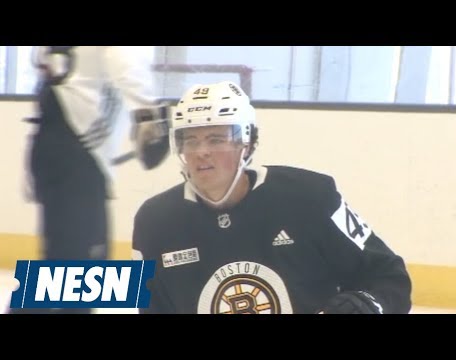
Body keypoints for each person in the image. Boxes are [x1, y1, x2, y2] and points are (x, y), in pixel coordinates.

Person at [132, 81, 412, 314]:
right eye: (191, 140)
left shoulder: (310, 198)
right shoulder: (155, 221)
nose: (201, 151)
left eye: (216, 139)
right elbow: (143, 304)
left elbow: (389, 276)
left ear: (248, 143)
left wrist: (371, 304)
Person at [9, 46, 170, 315]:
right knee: (87, 271)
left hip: (53, 140)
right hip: (79, 149)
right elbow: (123, 58)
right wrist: (147, 114)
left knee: (62, 262)